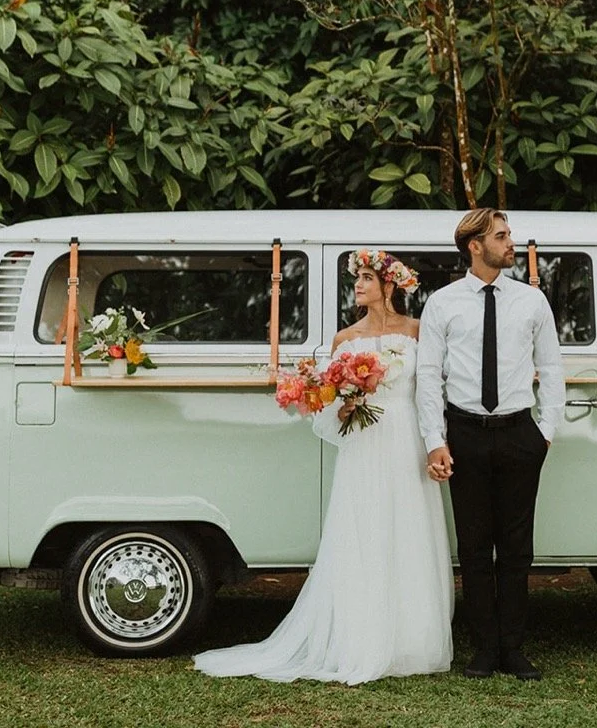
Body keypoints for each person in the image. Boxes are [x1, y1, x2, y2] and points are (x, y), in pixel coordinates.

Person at [192, 249, 453, 685]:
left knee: (408, 528)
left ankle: (410, 641)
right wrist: (345, 403)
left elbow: (430, 392)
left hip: (406, 438)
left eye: (366, 278)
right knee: (363, 531)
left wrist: (435, 443)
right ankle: (360, 639)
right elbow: (330, 407)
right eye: (357, 279)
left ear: (389, 285)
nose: (359, 286)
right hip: (364, 445)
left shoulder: (416, 331)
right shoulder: (344, 340)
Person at [415, 209, 564, 681]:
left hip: (519, 433)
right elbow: (427, 375)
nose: (510, 242)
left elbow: (552, 369)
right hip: (465, 434)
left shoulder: (531, 301)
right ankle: (483, 649)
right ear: (475, 246)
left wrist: (545, 432)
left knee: (517, 549)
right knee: (475, 547)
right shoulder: (442, 304)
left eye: (509, 234)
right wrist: (435, 440)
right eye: (501, 236)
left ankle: (513, 649)